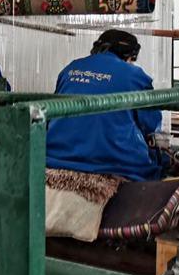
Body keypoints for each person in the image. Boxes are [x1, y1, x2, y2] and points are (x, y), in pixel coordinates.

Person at [46, 29, 164, 181]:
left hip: (56, 157)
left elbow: (52, 114)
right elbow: (150, 123)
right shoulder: (134, 74)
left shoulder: (71, 68)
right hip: (114, 164)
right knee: (161, 164)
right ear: (129, 56)